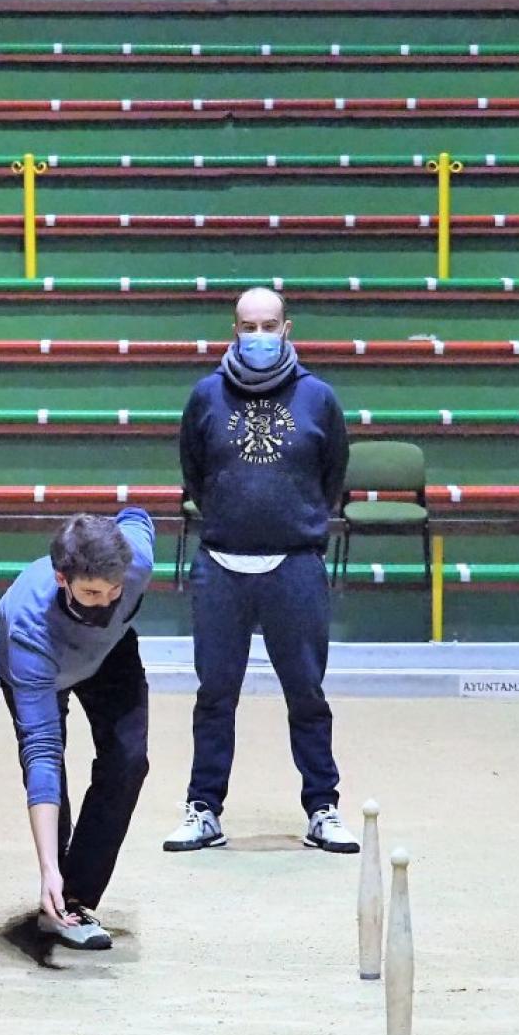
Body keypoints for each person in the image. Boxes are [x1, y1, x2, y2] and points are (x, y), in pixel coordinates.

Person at [166, 287, 357, 854]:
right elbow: (194, 474)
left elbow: (332, 476)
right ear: (234, 330)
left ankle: (322, 809)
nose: (258, 337)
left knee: (307, 695)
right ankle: (204, 809)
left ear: (287, 329)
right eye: (248, 327)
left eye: (268, 325)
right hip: (221, 568)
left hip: (294, 568)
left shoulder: (318, 398)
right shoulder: (205, 396)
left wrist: (291, 524)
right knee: (214, 696)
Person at [0, 510, 156, 950]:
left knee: (128, 761)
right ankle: (56, 888)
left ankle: (75, 898)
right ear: (62, 579)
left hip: (110, 655)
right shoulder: (27, 626)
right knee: (52, 779)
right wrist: (47, 866)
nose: (105, 603)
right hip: (40, 664)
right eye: (91, 592)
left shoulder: (136, 558)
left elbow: (137, 516)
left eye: (114, 590)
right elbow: (42, 754)